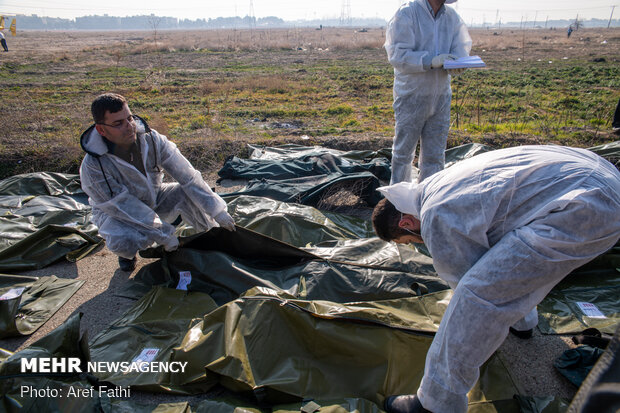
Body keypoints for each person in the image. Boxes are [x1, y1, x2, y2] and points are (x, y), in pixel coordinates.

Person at [372, 145, 620, 413]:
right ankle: (523, 323)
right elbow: (505, 260)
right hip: (597, 177)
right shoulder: (436, 186)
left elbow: (471, 284)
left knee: (476, 295)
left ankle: (436, 401)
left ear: (407, 224)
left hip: (586, 206)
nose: (418, 244)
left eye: (410, 241)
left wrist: (472, 315)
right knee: (514, 264)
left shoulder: (436, 215)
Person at [80, 93, 235, 272]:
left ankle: (212, 237)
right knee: (124, 240)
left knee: (186, 194)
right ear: (101, 130)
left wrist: (217, 210)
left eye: (129, 118)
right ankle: (126, 256)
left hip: (154, 197)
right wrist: (164, 234)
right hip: (117, 215)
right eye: (118, 124)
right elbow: (123, 206)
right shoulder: (94, 166)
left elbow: (187, 175)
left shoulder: (151, 140)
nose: (129, 127)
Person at [384, 0, 471, 184]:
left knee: (435, 156)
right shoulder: (407, 13)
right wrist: (430, 60)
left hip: (440, 96)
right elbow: (398, 55)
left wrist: (458, 62)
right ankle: (398, 205)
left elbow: (461, 46)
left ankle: (428, 201)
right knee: (403, 153)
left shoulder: (451, 17)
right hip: (412, 95)